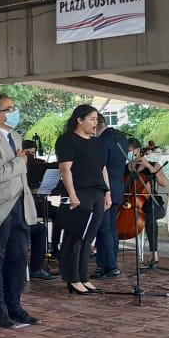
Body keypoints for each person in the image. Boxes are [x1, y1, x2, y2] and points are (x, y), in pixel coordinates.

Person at [0, 95, 40, 329]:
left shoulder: (15, 136)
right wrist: (21, 161)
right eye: (9, 109)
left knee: (18, 258)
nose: (14, 112)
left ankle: (15, 305)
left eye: (14, 107)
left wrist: (19, 163)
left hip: (21, 204)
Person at [55, 105, 113, 295]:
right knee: (75, 237)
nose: (96, 123)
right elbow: (65, 169)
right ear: (79, 120)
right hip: (80, 192)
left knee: (89, 238)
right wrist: (72, 194)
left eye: (97, 120)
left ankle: (83, 277)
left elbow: (102, 169)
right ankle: (72, 278)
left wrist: (107, 193)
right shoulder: (67, 140)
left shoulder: (97, 143)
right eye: (92, 119)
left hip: (97, 192)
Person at [94, 112, 131, 279]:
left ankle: (109, 266)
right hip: (118, 186)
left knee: (103, 228)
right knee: (111, 228)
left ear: (98, 124)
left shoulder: (102, 140)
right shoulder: (121, 137)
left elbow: (100, 165)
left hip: (106, 187)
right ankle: (111, 262)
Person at [127, 138, 169, 268]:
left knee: (149, 215)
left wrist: (148, 166)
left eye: (129, 150)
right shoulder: (127, 167)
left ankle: (154, 255)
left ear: (138, 150)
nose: (128, 153)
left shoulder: (154, 165)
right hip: (133, 204)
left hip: (154, 204)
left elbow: (164, 183)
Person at [24, 140, 58, 281]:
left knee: (59, 213)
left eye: (33, 153)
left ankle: (55, 248)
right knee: (40, 229)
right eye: (27, 153)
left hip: (36, 202)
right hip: (23, 207)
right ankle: (36, 268)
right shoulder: (18, 167)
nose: (30, 157)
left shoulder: (38, 165)